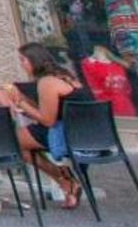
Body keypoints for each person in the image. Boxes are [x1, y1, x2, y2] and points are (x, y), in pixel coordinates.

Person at [5, 42, 83, 207]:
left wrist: (20, 102)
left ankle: (63, 178)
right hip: (83, 131)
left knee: (12, 141)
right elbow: (49, 111)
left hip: (65, 134)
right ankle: (65, 180)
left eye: (23, 60)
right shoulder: (65, 76)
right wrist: (25, 104)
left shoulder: (47, 82)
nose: (22, 64)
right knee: (22, 139)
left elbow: (47, 120)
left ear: (34, 61)